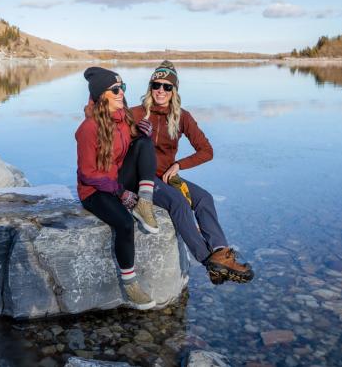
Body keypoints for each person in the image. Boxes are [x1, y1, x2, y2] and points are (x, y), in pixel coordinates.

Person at [131, 61, 254, 285]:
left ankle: (220, 251)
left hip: (167, 175)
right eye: (156, 85)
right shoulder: (136, 113)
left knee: (204, 198)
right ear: (150, 87)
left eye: (167, 87)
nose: (161, 90)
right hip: (142, 177)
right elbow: (107, 131)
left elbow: (207, 151)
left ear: (174, 91)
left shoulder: (182, 116)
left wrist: (178, 165)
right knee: (178, 202)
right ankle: (208, 261)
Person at [76, 66, 160, 310]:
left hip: (115, 179)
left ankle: (144, 202)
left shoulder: (123, 117)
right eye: (115, 89)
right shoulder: (87, 129)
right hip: (94, 191)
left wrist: (138, 132)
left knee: (144, 143)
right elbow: (88, 173)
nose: (121, 93)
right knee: (124, 223)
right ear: (102, 95)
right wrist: (121, 193)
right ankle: (131, 284)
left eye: (122, 87)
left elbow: (122, 143)